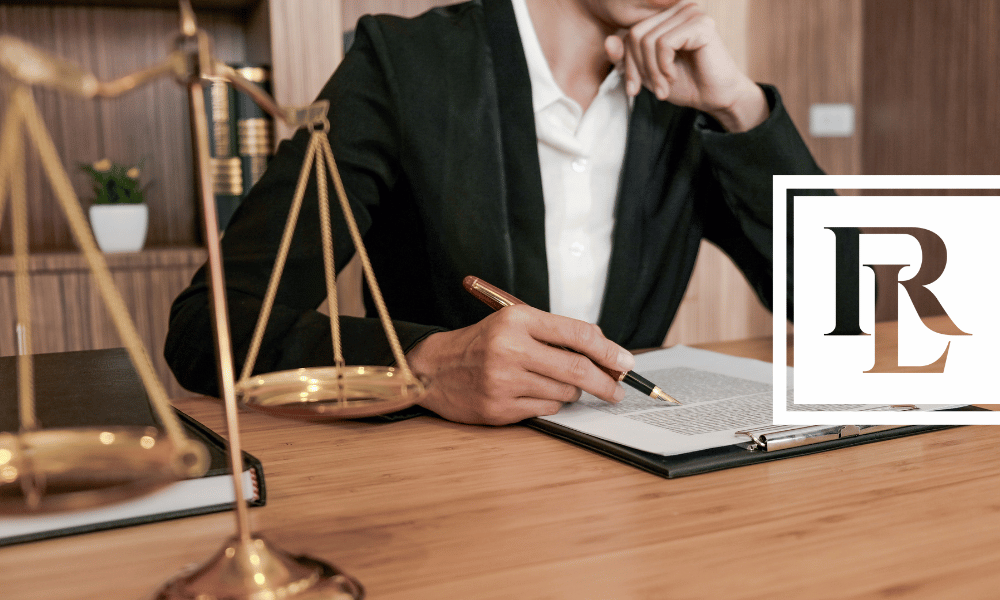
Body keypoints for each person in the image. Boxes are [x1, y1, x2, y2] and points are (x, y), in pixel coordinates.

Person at [165, 0, 825, 426]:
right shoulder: (404, 63)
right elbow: (206, 332)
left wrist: (742, 108)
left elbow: (846, 309)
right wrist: (420, 367)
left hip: (640, 494)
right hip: (444, 491)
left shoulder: (691, 101)